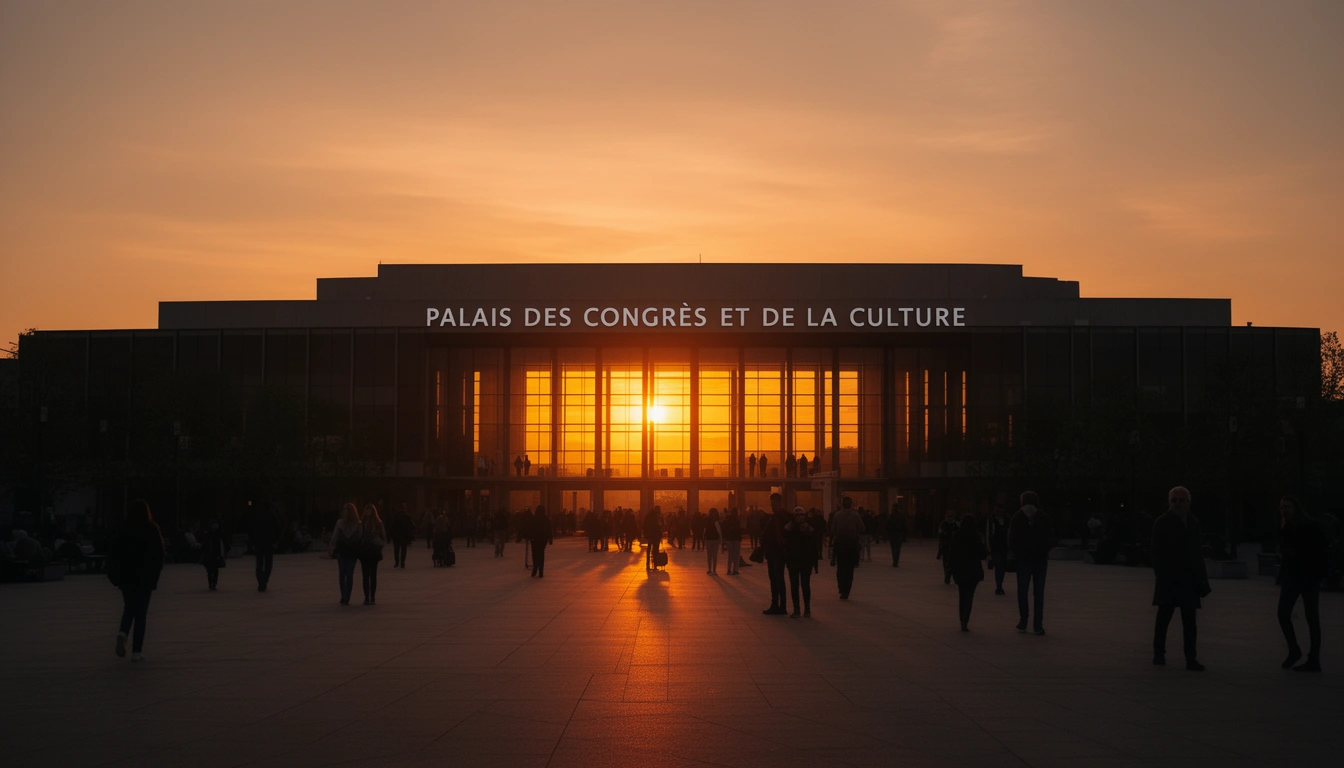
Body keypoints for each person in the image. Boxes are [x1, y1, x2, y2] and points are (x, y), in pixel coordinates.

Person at [1151, 486, 1208, 670]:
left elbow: (1197, 552)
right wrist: (1161, 575)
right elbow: (1156, 552)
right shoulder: (1162, 522)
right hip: (1169, 578)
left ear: (1188, 502)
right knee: (1163, 618)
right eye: (1174, 500)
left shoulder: (1194, 522)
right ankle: (1159, 654)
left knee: (1190, 621)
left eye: (1181, 500)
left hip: (1189, 579)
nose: (1178, 503)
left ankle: (1191, 658)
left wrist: (1201, 577)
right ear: (1169, 502)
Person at [108, 500, 165, 662]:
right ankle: (137, 651)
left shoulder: (124, 528)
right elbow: (159, 554)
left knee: (129, 607)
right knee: (141, 613)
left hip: (127, 577)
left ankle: (123, 633)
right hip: (145, 577)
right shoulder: (151, 528)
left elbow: (114, 552)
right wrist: (154, 575)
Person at [1277, 495, 1326, 672]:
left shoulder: (1311, 526)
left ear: (1296, 508)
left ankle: (1313, 659)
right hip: (1292, 577)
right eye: (1282, 507)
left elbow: (1321, 550)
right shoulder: (1285, 528)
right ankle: (1294, 650)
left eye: (1287, 507)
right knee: (1283, 614)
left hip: (1309, 577)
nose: (1284, 510)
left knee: (1311, 617)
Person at [1010, 491, 1056, 635]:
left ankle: (1023, 620)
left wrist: (1017, 552)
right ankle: (1038, 625)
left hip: (1023, 559)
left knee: (1022, 591)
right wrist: (1044, 548)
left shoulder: (1017, 516)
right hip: (1040, 559)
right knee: (1039, 592)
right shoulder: (1043, 516)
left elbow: (1012, 539)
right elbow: (1051, 536)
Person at [949, 514, 988, 631]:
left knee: (962, 594)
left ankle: (962, 619)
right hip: (973, 569)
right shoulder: (975, 536)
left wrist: (950, 567)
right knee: (969, 595)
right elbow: (982, 554)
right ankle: (965, 619)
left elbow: (952, 552)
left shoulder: (956, 535)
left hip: (960, 569)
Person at [784, 506, 816, 617]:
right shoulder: (789, 528)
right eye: (797, 515)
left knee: (805, 584)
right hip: (793, 560)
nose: (799, 517)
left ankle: (807, 608)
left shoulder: (809, 529)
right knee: (794, 585)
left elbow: (814, 546)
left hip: (806, 561)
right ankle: (796, 609)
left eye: (801, 515)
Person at [831, 497, 864, 600]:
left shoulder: (837, 515)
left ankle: (841, 587)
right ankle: (846, 591)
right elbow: (862, 528)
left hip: (840, 543)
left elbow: (833, 529)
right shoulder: (855, 515)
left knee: (840, 567)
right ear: (851, 504)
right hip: (851, 544)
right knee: (849, 570)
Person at [329, 503, 363, 606]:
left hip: (342, 550)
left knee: (342, 573)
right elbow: (360, 537)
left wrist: (331, 546)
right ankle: (347, 596)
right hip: (352, 551)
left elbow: (335, 536)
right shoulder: (358, 523)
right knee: (349, 574)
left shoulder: (340, 523)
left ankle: (343, 595)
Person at [761, 494, 789, 614]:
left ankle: (780, 605)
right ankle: (777, 604)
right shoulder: (773, 518)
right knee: (775, 578)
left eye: (773, 504)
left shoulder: (784, 517)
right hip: (773, 552)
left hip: (779, 552)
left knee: (777, 578)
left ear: (779, 502)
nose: (772, 506)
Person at [358, 504, 386, 605]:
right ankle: (368, 597)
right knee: (368, 575)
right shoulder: (362, 523)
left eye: (368, 510)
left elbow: (383, 538)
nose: (367, 512)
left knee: (370, 575)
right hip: (368, 551)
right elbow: (383, 538)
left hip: (369, 551)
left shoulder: (376, 523)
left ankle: (370, 597)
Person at [250, 502, 281, 592]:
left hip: (259, 543)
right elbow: (279, 529)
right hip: (269, 543)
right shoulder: (272, 516)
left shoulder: (257, 516)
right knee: (268, 564)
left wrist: (253, 542)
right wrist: (276, 541)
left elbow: (252, 530)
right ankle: (264, 581)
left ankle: (261, 582)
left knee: (259, 564)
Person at [986, 505, 1010, 595]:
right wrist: (988, 548)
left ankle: (1000, 583)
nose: (998, 513)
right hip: (995, 547)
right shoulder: (991, 520)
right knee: (998, 566)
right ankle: (999, 586)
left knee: (1003, 567)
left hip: (1005, 547)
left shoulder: (1007, 520)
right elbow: (988, 533)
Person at [201, 519, 228, 591]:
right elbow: (204, 544)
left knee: (215, 569)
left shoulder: (220, 533)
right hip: (208, 554)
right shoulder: (208, 533)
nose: (215, 526)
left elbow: (225, 543)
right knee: (209, 570)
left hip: (217, 554)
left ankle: (214, 583)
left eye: (216, 525)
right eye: (214, 524)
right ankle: (210, 583)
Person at [530, 505, 553, 578]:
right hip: (543, 539)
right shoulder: (546, 519)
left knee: (534, 554)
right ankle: (541, 571)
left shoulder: (534, 518)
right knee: (541, 554)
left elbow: (530, 529)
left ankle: (535, 567)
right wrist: (550, 539)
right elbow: (549, 529)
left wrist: (530, 537)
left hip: (535, 539)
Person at [936, 510, 958, 584]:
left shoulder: (957, 525)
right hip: (946, 546)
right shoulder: (943, 524)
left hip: (955, 547)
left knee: (955, 562)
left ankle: (954, 576)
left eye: (950, 516)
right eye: (948, 516)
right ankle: (947, 576)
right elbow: (940, 536)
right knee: (946, 562)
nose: (949, 518)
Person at [723, 508, 743, 576]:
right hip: (737, 538)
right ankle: (735, 569)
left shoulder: (727, 519)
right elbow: (741, 529)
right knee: (736, 555)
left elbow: (725, 529)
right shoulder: (738, 519)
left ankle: (729, 569)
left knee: (730, 555)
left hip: (729, 538)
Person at [704, 508, 722, 574]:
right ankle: (714, 570)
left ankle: (710, 569)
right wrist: (721, 539)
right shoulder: (717, 521)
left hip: (708, 539)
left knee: (709, 555)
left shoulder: (707, 520)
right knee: (714, 555)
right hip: (715, 539)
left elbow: (705, 529)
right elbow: (719, 531)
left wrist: (704, 537)